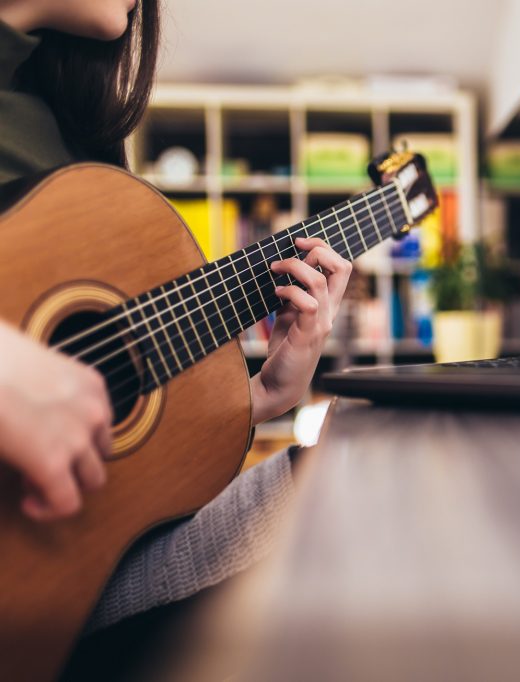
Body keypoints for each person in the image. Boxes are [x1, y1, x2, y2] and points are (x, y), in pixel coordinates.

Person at [0, 0, 352, 630]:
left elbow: (114, 458)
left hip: (67, 588)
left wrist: (255, 398)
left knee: (357, 471)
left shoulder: (67, 128)